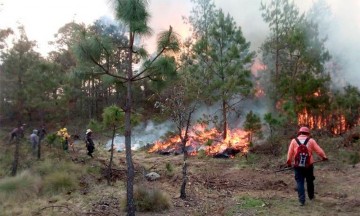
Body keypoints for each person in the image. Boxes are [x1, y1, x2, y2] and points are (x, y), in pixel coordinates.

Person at [286, 126, 328, 206]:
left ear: (299, 133)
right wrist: (324, 157)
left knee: (300, 182)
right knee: (310, 181)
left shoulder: (294, 141)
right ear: (308, 133)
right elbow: (319, 150)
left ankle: (302, 201)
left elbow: (290, 153)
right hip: (309, 165)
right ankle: (311, 196)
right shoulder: (311, 141)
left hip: (297, 166)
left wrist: (288, 162)